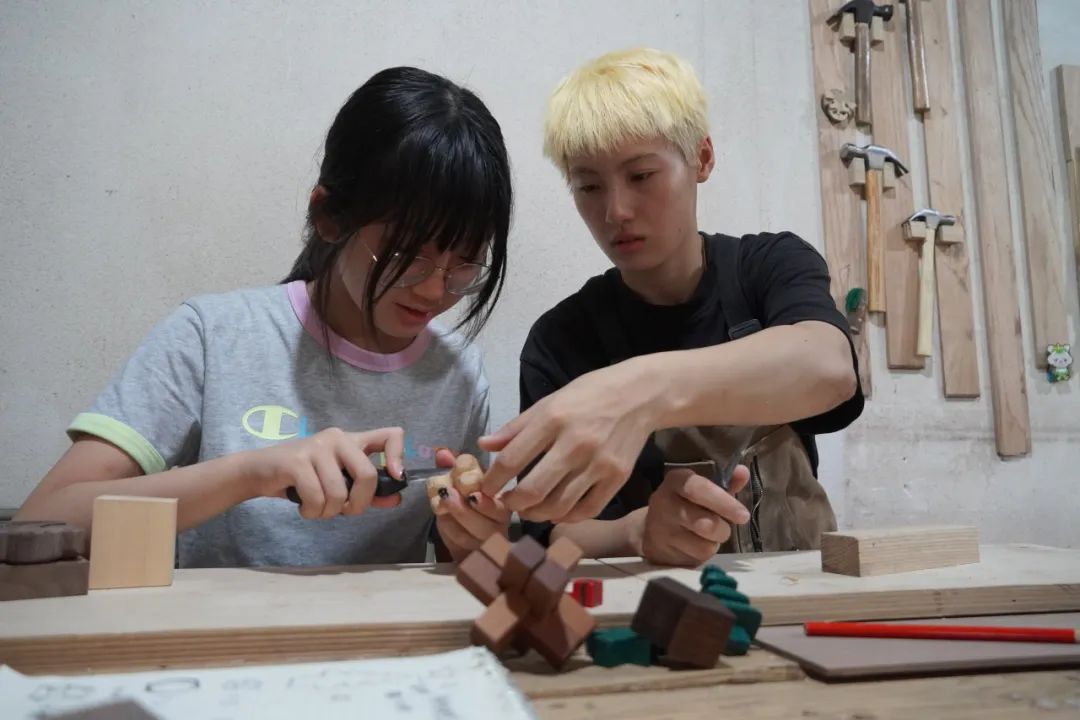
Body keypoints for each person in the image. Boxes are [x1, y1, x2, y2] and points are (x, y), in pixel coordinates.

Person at [15, 66, 512, 567]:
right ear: (329, 217)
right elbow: (43, 519)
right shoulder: (212, 336)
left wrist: (478, 541)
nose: (435, 289)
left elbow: (461, 562)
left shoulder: (458, 373)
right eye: (406, 253)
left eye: (466, 261)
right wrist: (251, 474)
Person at [478, 47, 864, 566]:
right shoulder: (560, 339)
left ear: (702, 158)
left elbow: (829, 369)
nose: (615, 211)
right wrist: (635, 531)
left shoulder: (767, 267)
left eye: (641, 176)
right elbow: (550, 532)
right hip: (648, 599)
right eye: (589, 186)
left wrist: (640, 391)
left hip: (798, 580)